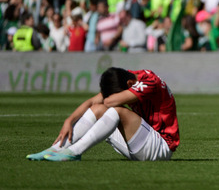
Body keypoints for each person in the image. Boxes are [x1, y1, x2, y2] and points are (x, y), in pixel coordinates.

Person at [26, 67, 179, 161]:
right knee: (97, 109)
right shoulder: (127, 78)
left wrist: (106, 98)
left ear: (129, 85)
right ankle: (56, 148)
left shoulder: (149, 82)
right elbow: (94, 102)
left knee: (116, 110)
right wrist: (69, 120)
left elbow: (110, 102)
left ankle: (74, 152)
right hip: (140, 145)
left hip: (160, 149)